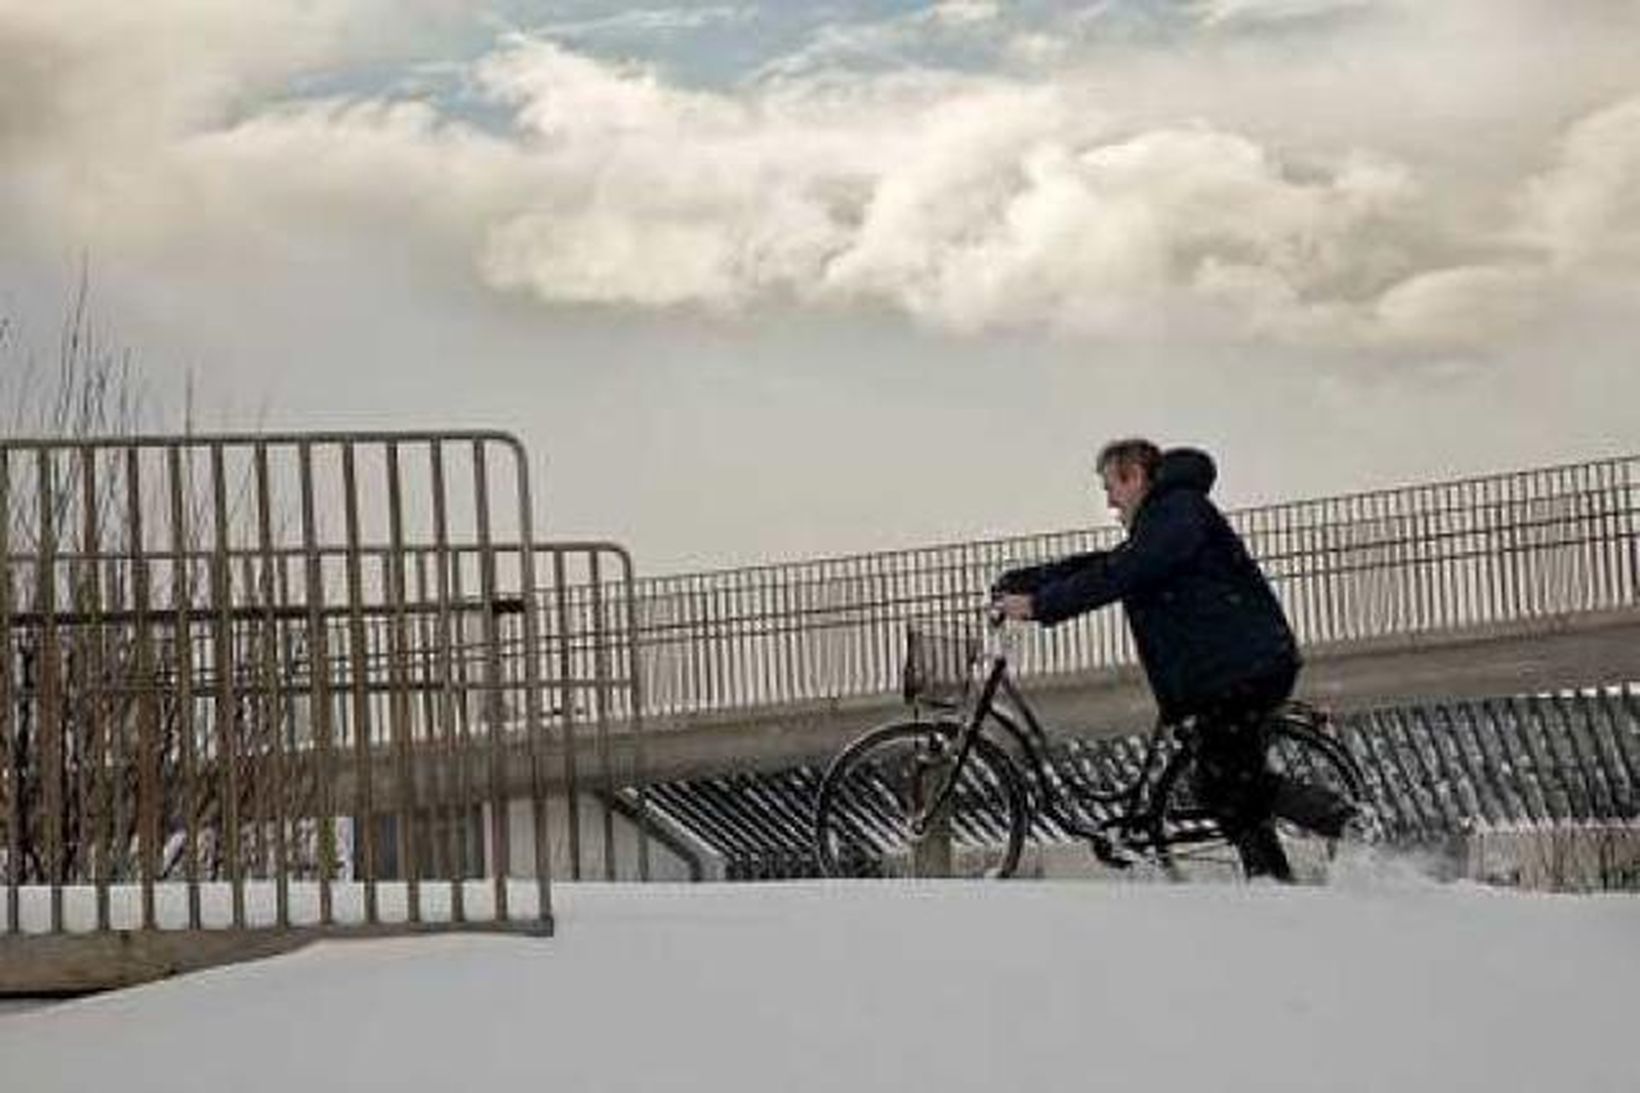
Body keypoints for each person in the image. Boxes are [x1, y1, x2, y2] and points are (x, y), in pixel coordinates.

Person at [993, 438, 1355, 880]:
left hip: (1242, 669)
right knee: (1227, 781)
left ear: (1134, 476)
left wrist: (1039, 606)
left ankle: (1343, 823)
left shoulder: (1178, 512)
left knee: (1226, 782)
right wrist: (1030, 581)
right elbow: (1108, 563)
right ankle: (1271, 880)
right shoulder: (1164, 520)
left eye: (1112, 487)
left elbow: (1123, 572)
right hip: (1228, 671)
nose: (1109, 503)